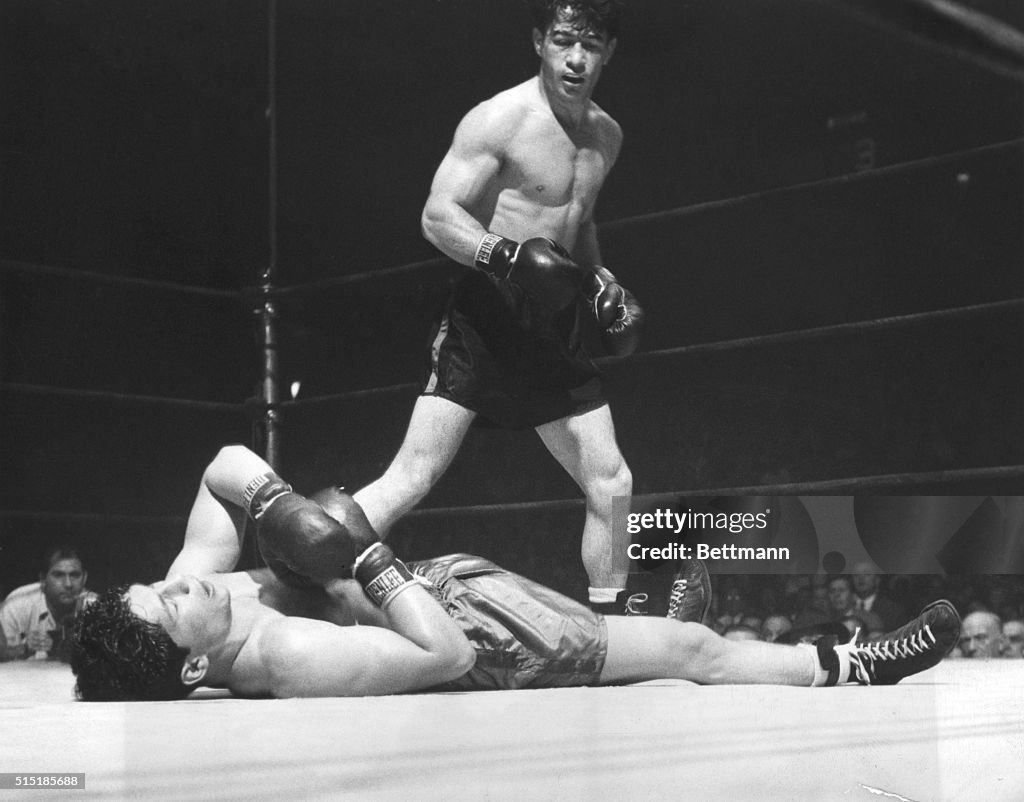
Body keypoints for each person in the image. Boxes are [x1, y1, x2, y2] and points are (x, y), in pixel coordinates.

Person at [70, 445, 960, 701]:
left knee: (657, 633)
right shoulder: (287, 656)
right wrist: (368, 556)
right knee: (691, 650)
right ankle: (852, 663)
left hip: (439, 578)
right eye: (169, 605)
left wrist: (273, 503)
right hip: (483, 635)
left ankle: (660, 603)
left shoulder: (198, 593)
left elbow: (218, 465)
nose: (183, 584)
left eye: (160, 582)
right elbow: (445, 655)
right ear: (191, 666)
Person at [349, 0, 643, 615]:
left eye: (590, 45)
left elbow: (579, 221)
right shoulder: (500, 119)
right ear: (540, 41)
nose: (576, 57)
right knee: (412, 477)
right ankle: (301, 580)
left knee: (611, 482)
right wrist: (507, 258)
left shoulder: (606, 136)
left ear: (609, 52)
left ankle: (613, 627)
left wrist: (601, 280)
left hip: (552, 327)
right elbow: (437, 215)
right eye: (564, 40)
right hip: (485, 317)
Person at [1, 545, 95, 661]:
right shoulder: (16, 606)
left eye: (75, 575)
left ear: (84, 578)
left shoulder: (97, 607)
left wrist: (60, 647)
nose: (68, 584)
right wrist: (23, 649)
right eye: (58, 575)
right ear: (43, 579)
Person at [850, 561, 907, 631]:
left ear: (877, 580)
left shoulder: (892, 609)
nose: (861, 578)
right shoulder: (843, 605)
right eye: (856, 575)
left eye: (867, 574)